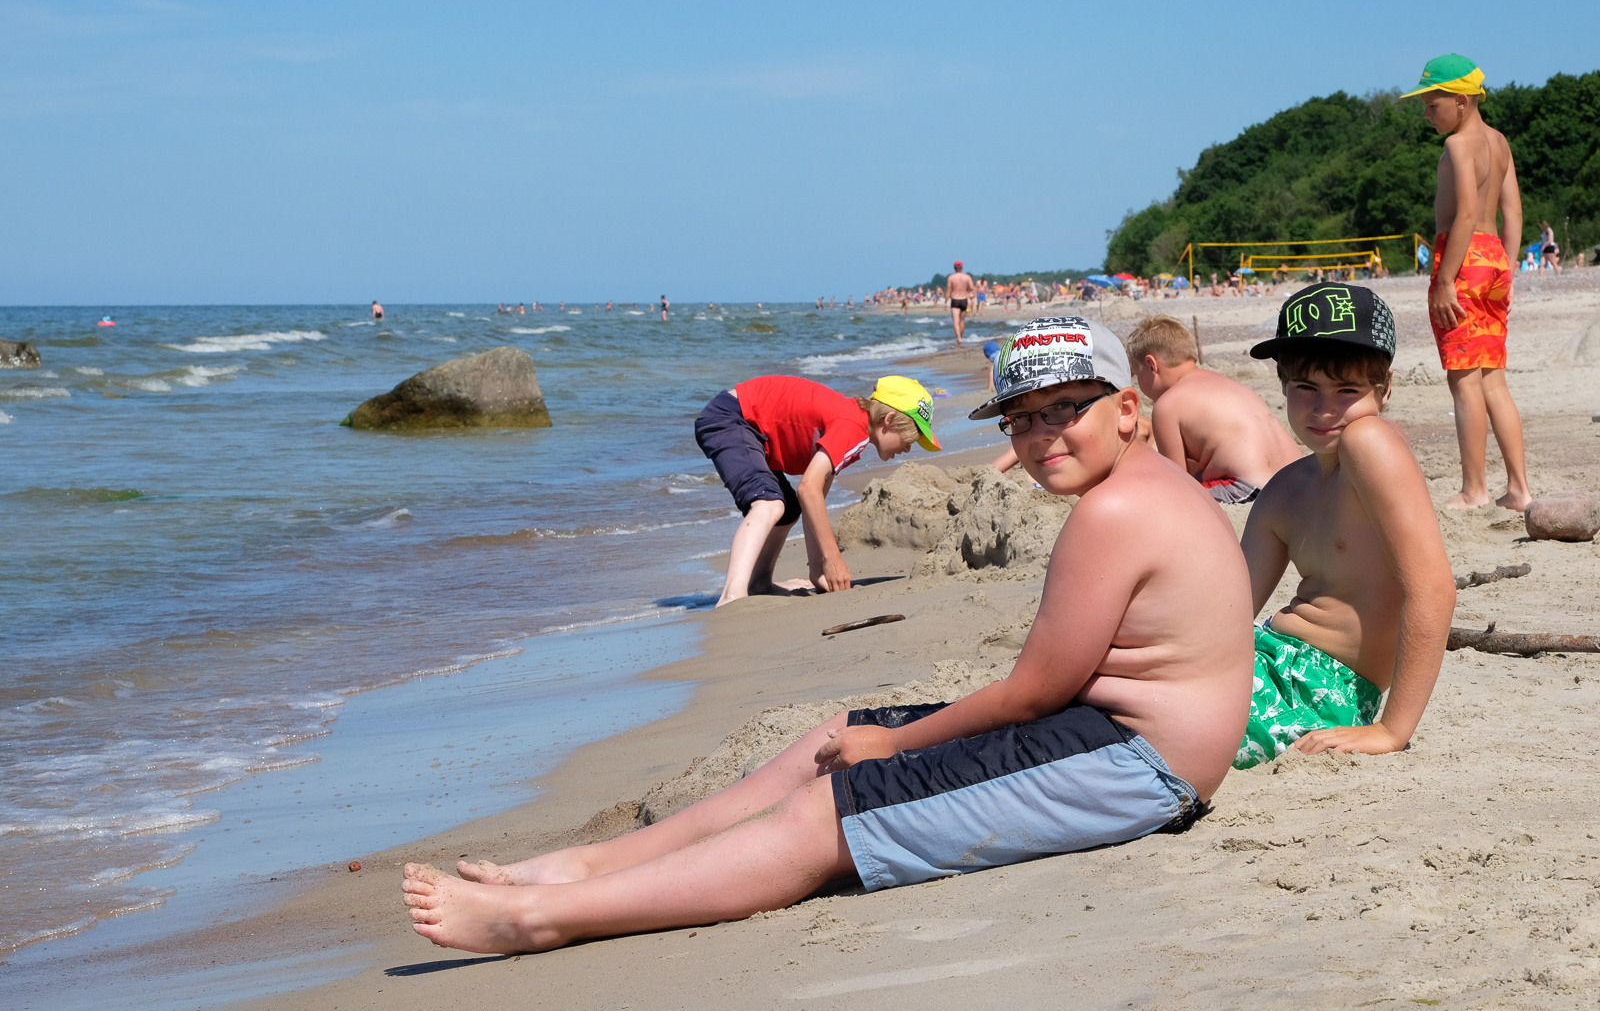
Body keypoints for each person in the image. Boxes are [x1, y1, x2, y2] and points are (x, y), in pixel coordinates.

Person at [402, 318, 1254, 955]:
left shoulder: (1114, 510)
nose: (1041, 436)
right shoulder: (1144, 487)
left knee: (830, 808)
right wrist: (875, 735)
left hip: (1138, 763)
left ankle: (542, 916)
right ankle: (592, 864)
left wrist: (896, 742)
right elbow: (1050, 689)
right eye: (1021, 419)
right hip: (1111, 736)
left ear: (1128, 409)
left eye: (1066, 408)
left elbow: (1033, 693)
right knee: (832, 736)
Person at [1235, 282, 1456, 767]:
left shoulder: (1368, 441)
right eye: (1306, 387)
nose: (1324, 409)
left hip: (1321, 686)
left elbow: (1435, 589)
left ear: (1385, 388)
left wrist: (1392, 730)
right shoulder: (1284, 489)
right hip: (1265, 655)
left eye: (1347, 391)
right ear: (1283, 385)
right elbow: (1228, 613)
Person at [1404, 53, 1533, 511]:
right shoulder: (1499, 141)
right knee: (1493, 379)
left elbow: (1464, 215)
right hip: (1494, 258)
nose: (1426, 114)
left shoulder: (1459, 145)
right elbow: (1513, 213)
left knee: (1463, 381)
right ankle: (1519, 489)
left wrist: (1444, 281)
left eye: (1432, 103)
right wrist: (1507, 270)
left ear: (1461, 100)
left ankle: (1474, 489)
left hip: (1461, 260)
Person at [693, 375, 940, 606]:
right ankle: (732, 595)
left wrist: (818, 572)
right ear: (889, 420)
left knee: (788, 510)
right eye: (911, 438)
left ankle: (759, 582)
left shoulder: (853, 426)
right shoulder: (852, 426)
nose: (909, 448)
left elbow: (815, 499)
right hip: (731, 419)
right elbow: (808, 489)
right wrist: (833, 559)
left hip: (749, 427)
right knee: (768, 503)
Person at [1125, 315, 1303, 503]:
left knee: (1158, 492)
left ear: (1151, 365)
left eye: (1136, 374)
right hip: (1299, 480)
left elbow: (1176, 481)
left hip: (1246, 489)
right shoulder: (1225, 384)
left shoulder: (1167, 404)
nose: (1138, 382)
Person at [946, 261, 975, 346]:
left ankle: (958, 338)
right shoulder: (967, 277)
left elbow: (948, 290)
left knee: (956, 320)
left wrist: (945, 302)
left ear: (954, 267)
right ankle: (960, 337)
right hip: (964, 299)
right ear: (962, 267)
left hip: (955, 299)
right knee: (962, 321)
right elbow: (972, 288)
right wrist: (967, 291)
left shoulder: (951, 277)